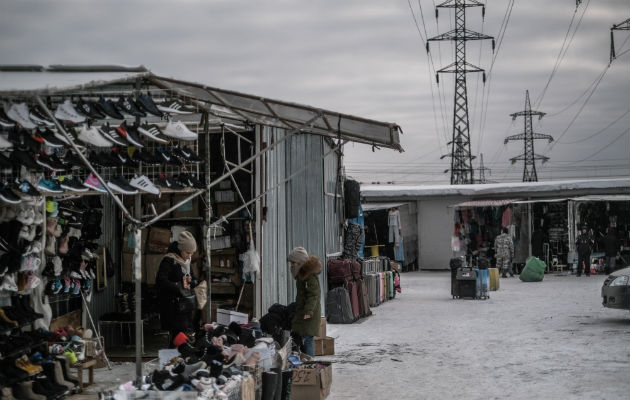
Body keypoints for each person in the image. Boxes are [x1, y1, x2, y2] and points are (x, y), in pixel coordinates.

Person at [156, 231, 199, 344]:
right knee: (177, 335)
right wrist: (178, 285)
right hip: (172, 306)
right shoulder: (169, 260)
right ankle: (174, 357)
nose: (190, 256)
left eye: (192, 253)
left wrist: (191, 281)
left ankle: (182, 356)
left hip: (185, 306)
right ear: (180, 249)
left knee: (184, 334)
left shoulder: (187, 261)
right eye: (187, 252)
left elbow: (195, 279)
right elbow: (160, 280)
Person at [287, 247, 321, 357]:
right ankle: (305, 360)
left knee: (308, 338)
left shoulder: (310, 277)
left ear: (300, 262)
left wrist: (308, 311)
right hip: (304, 311)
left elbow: (313, 295)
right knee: (303, 337)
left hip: (309, 313)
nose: (292, 265)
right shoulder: (302, 276)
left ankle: (310, 362)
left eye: (294, 263)